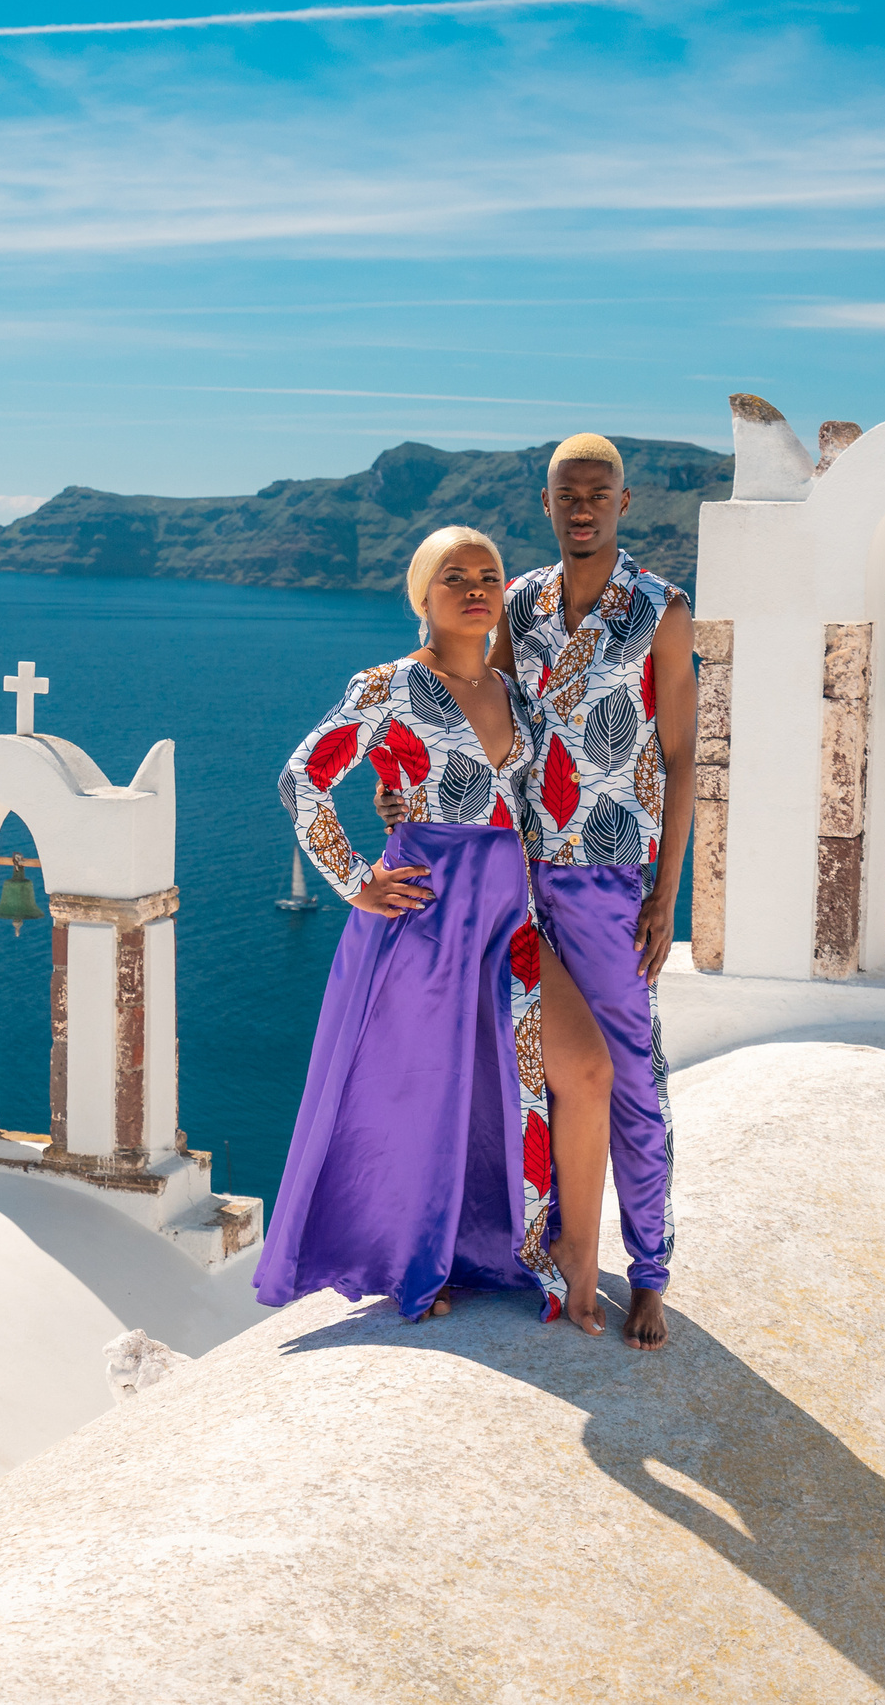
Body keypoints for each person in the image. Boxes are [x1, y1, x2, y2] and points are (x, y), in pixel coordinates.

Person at [255, 526, 567, 1323]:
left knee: (499, 1084)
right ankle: (407, 1262)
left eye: (489, 576)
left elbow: (524, 802)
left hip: (508, 913)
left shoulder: (512, 691)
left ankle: (493, 1249)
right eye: (452, 576)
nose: (474, 588)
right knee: (415, 1089)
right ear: (421, 596)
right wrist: (358, 882)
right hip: (425, 914)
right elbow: (301, 780)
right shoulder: (388, 685)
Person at [474, 433, 698, 1350]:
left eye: (598, 492)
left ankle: (649, 1270)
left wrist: (666, 893)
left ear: (624, 503)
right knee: (528, 1071)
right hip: (518, 876)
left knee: (633, 1077)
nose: (583, 506)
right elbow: (475, 715)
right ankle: (537, 1249)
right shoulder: (518, 606)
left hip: (611, 880)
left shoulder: (659, 610)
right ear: (546, 501)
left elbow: (682, 755)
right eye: (568, 492)